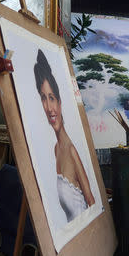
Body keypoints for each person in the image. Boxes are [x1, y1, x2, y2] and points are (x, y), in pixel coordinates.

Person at [34, 49, 95, 222]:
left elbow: (91, 201)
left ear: (60, 103)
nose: (49, 107)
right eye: (43, 98)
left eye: (52, 98)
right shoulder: (56, 149)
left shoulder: (71, 151)